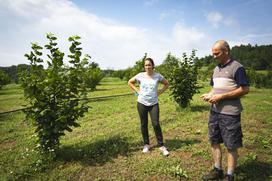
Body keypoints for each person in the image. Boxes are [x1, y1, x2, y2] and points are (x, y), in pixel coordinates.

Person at [201, 40, 249, 181]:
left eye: (217, 53)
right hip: (215, 112)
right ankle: (217, 169)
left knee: (231, 144)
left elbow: (245, 89)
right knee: (214, 141)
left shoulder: (237, 67)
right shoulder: (216, 69)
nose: (214, 56)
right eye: (213, 53)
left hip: (230, 113)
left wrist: (221, 97)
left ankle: (230, 175)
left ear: (226, 51)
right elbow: (213, 88)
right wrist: (210, 95)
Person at [128, 57, 170, 156]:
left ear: (153, 66)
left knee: (156, 123)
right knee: (144, 124)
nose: (147, 67)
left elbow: (166, 84)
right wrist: (137, 91)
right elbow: (130, 82)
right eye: (146, 65)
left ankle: (161, 145)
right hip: (141, 103)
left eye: (149, 65)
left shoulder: (158, 76)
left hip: (153, 103)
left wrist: (159, 92)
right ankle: (146, 144)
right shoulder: (140, 75)